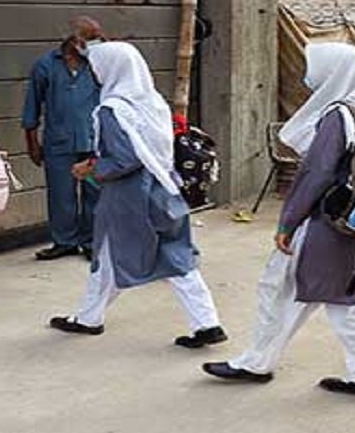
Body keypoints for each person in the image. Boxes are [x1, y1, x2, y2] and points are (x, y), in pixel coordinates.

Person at [202, 43, 355, 401]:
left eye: (315, 67)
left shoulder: (338, 115)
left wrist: (288, 222)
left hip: (324, 223)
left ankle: (260, 364)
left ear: (334, 72)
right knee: (345, 293)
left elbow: (316, 174)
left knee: (292, 288)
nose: (308, 75)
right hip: (351, 223)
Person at [49, 42, 225, 347]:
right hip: (165, 188)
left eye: (96, 67)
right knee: (176, 255)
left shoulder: (112, 109)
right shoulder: (153, 101)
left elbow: (124, 159)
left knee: (107, 254)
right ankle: (207, 323)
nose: (94, 72)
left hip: (129, 198)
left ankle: (89, 319)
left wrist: (92, 168)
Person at [22, 17, 104, 261]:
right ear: (74, 40)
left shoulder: (98, 64)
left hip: (92, 140)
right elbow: (32, 107)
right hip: (59, 141)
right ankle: (64, 242)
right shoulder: (45, 66)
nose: (97, 43)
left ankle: (91, 242)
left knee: (95, 193)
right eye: (91, 38)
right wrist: (32, 143)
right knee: (60, 196)